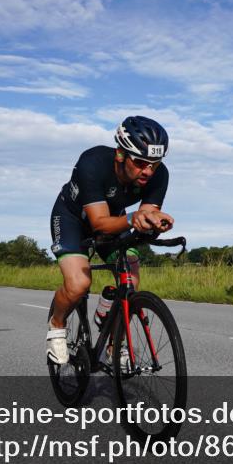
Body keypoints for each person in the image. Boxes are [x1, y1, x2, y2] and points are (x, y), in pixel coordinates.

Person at [46, 116, 174, 364]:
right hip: (73, 218)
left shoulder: (159, 175)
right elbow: (99, 223)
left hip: (112, 219)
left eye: (154, 164)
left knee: (130, 277)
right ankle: (56, 324)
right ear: (120, 154)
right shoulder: (92, 163)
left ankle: (116, 343)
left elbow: (144, 215)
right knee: (79, 284)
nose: (148, 171)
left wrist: (154, 223)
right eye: (140, 162)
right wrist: (133, 218)